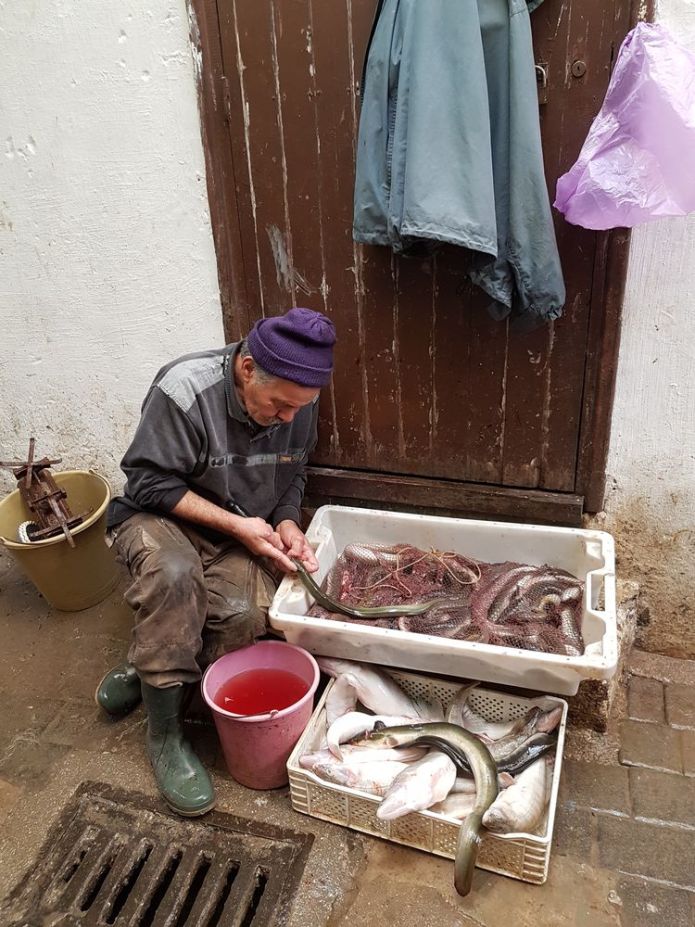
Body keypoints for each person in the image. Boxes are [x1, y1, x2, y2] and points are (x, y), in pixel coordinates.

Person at [96, 307, 336, 816]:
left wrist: (290, 522)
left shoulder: (298, 399)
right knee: (176, 576)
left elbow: (293, 474)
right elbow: (147, 483)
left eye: (302, 406)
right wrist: (238, 526)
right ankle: (164, 733)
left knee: (249, 617)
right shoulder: (184, 390)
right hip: (159, 517)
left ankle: (153, 665)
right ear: (247, 369)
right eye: (279, 405)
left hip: (237, 531)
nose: (289, 417)